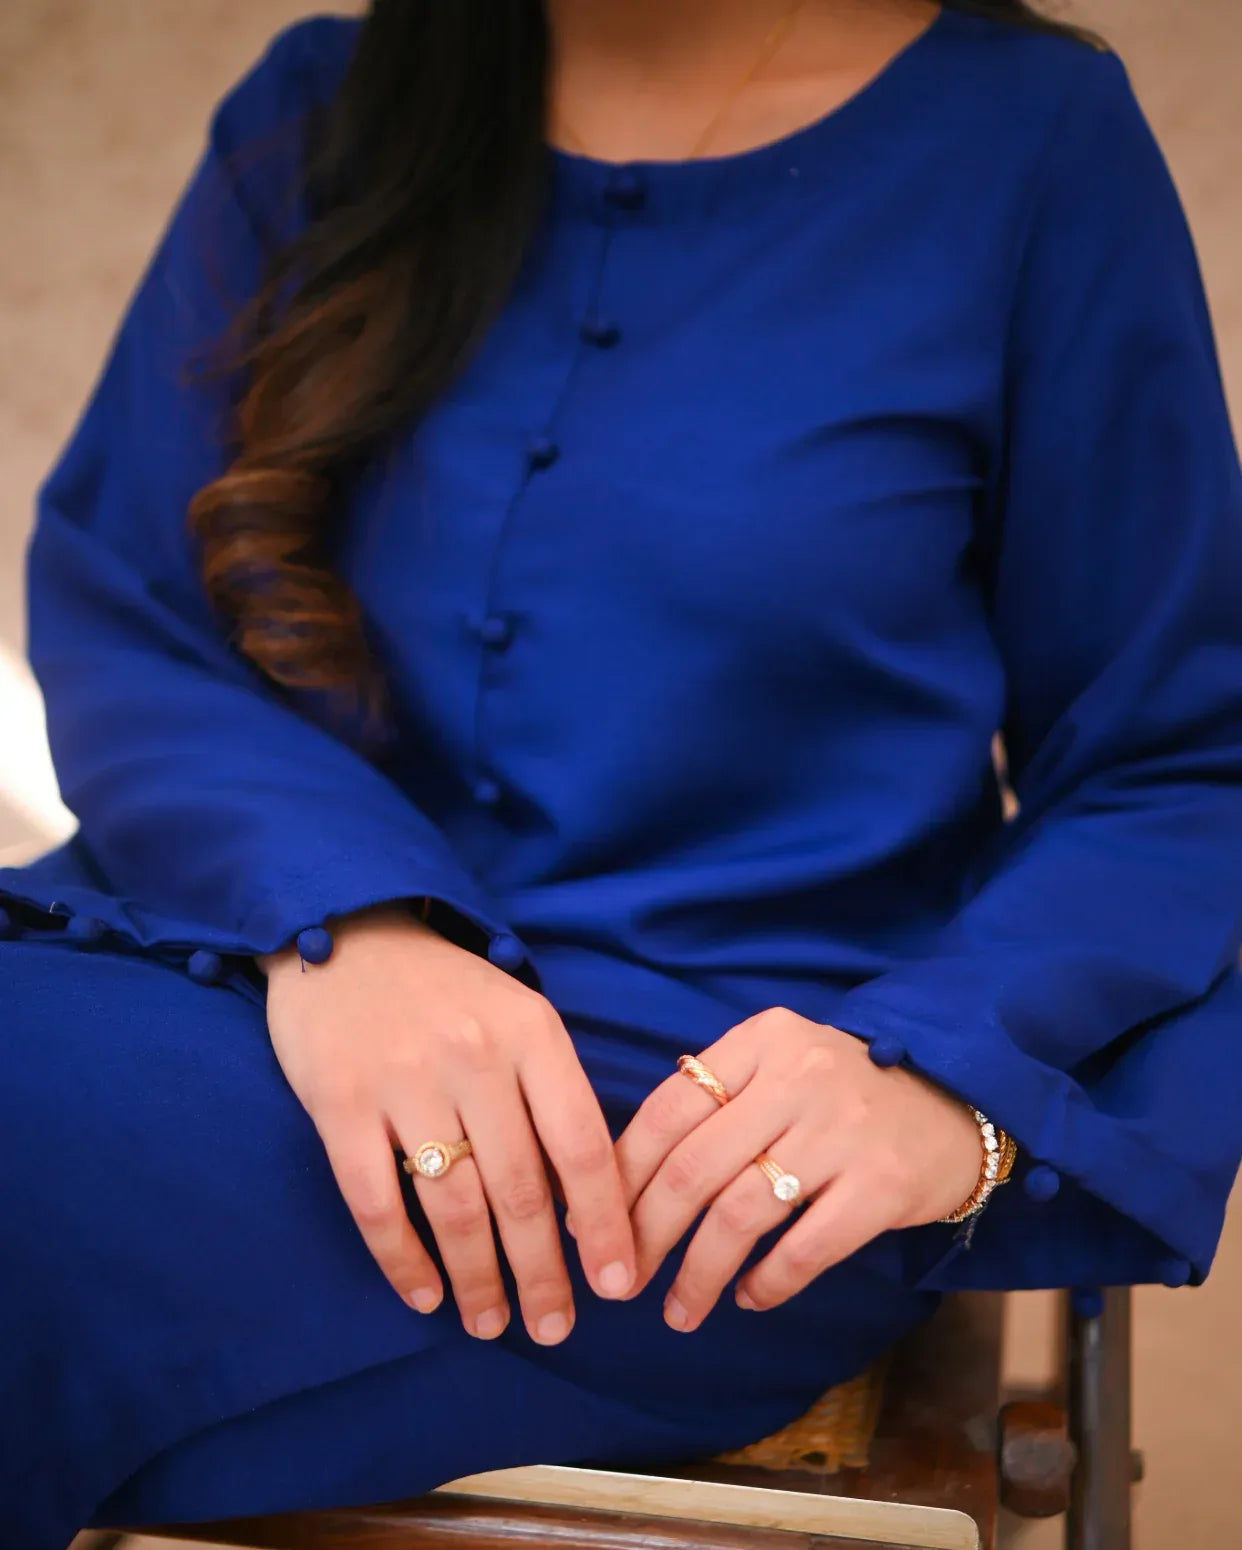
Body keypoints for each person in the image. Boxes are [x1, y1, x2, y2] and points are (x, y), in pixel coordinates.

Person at [2, 1, 1240, 1545]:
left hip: (672, 1134)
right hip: (234, 959)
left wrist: (946, 1075)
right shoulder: (327, 104)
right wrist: (354, 924)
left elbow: (1172, 758)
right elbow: (133, 610)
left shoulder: (1031, 142)